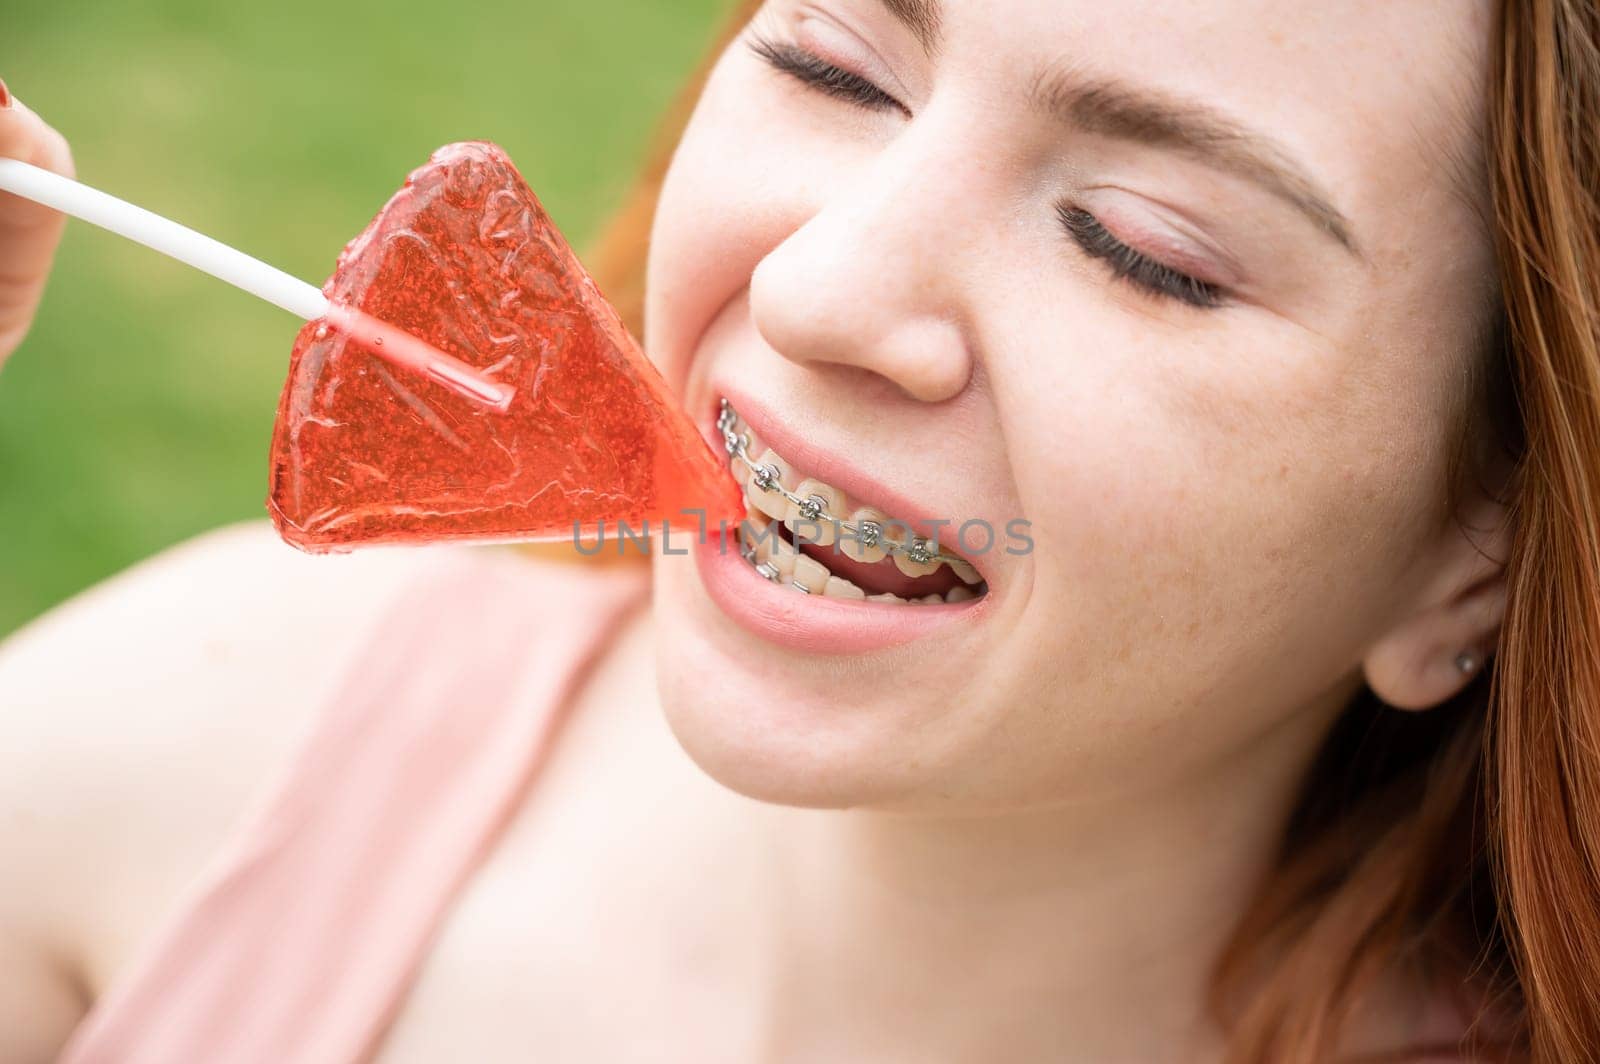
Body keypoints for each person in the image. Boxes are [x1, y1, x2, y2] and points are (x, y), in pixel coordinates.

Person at [1, 0, 1597, 1059]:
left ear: (1485, 548)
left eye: (1147, 249)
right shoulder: (177, 757)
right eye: (835, 64)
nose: (819, 289)